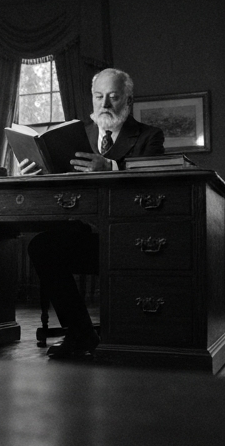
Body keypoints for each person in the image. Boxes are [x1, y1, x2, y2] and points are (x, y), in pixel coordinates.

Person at [19, 67, 165, 359]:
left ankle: (135, 334)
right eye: (99, 97)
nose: (105, 105)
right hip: (82, 231)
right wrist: (35, 172)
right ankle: (80, 333)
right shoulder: (76, 135)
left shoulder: (149, 136)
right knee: (42, 246)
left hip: (127, 236)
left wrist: (110, 167)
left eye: (113, 97)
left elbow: (152, 185)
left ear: (128, 100)